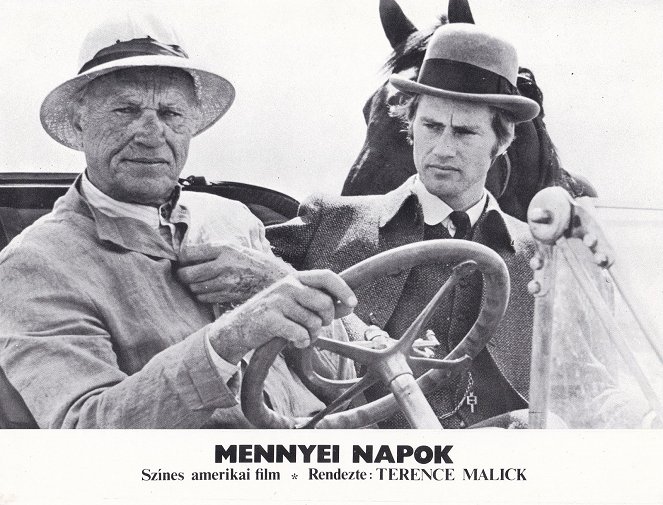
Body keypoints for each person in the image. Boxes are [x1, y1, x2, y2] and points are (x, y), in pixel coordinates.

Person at [0, 17, 357, 429]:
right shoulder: (35, 264)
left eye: (171, 113)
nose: (152, 134)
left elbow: (349, 377)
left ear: (191, 126)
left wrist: (273, 280)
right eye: (126, 109)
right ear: (81, 123)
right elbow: (85, 433)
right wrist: (230, 337)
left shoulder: (232, 218)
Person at [265, 23, 542, 428]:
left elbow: (587, 381)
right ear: (410, 126)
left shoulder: (540, 256)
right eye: (431, 126)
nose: (443, 148)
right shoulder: (329, 221)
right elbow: (247, 275)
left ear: (500, 142)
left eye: (464, 132)